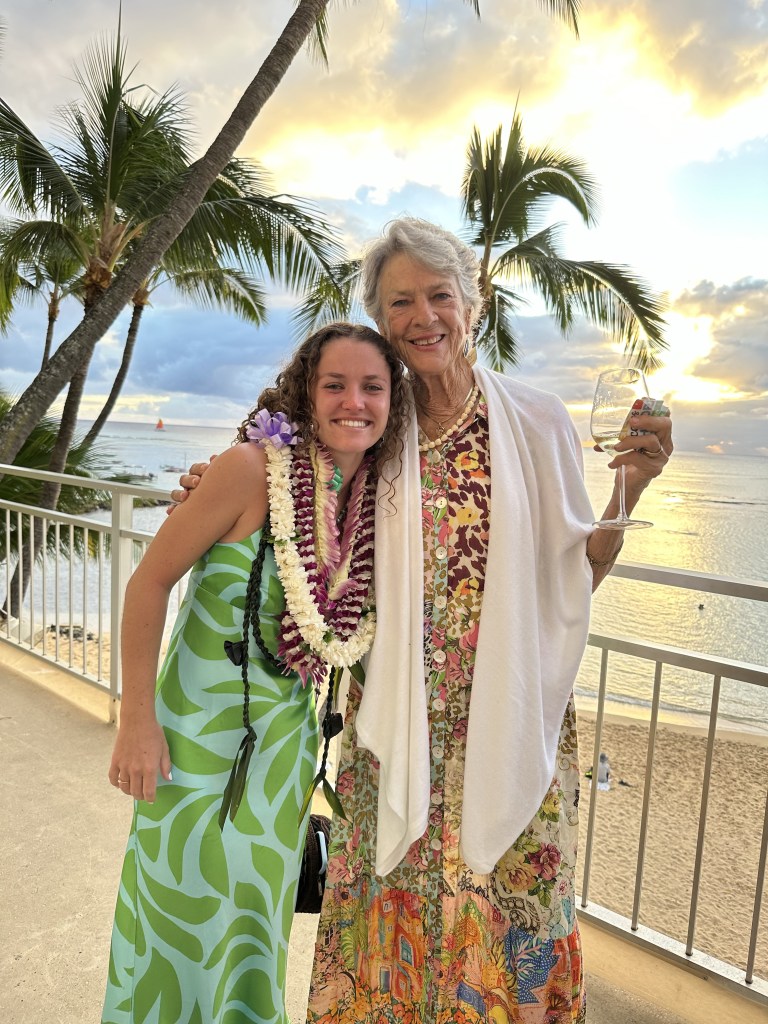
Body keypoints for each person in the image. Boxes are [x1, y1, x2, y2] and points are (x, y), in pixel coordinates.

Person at [176, 218, 673, 1024]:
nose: (423, 316)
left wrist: (631, 490)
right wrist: (209, 485)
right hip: (397, 721)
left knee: (513, 921)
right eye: (400, 301)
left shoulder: (538, 420)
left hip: (507, 717)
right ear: (380, 318)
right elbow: (285, 487)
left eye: (440, 295)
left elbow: (575, 578)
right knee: (389, 926)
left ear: (474, 304)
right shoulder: (371, 423)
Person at [101, 322, 409, 1024]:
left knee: (253, 930)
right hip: (194, 743)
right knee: (177, 918)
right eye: (335, 384)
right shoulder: (248, 469)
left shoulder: (375, 503)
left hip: (284, 757)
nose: (353, 402)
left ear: (393, 403)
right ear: (306, 392)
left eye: (372, 387)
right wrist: (136, 721)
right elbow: (148, 584)